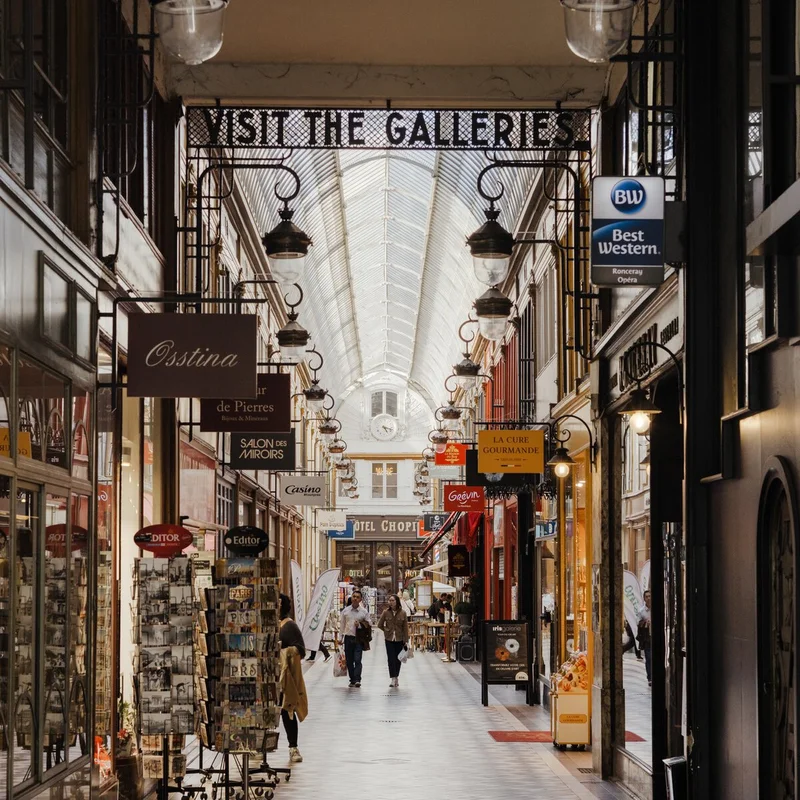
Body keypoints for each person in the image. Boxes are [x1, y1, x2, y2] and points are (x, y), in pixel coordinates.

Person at [278, 594, 308, 763]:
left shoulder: (289, 626)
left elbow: (300, 649)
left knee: (287, 710)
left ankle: (293, 747)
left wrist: (286, 652)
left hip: (284, 677)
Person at [338, 589, 371, 687]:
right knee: (349, 660)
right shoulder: (346, 611)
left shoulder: (363, 612)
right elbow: (342, 625)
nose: (355, 599)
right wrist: (340, 638)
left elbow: (369, 623)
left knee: (357, 659)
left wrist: (360, 625)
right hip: (348, 638)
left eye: (357, 597)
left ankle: (357, 679)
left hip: (359, 639)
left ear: (360, 599)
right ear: (351, 598)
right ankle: (352, 679)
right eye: (354, 597)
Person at [377, 594, 409, 688]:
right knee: (390, 659)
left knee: (398, 659)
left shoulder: (403, 613)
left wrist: (406, 640)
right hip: (389, 639)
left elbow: (405, 628)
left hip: (399, 639)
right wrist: (387, 631)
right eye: (389, 600)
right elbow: (380, 624)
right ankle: (393, 678)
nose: (391, 602)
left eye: (393, 600)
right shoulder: (385, 612)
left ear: (397, 601)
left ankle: (396, 676)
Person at [637, 589, 652, 686]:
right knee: (649, 657)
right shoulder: (641, 611)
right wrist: (645, 623)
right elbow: (638, 623)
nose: (648, 598)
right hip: (647, 637)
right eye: (646, 597)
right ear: (644, 598)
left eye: (650, 596)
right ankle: (650, 677)